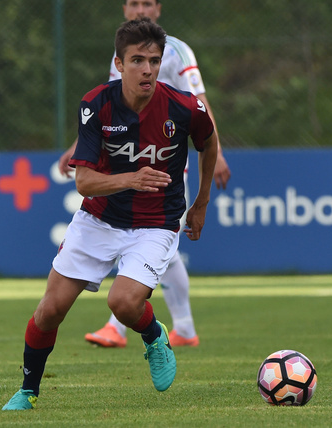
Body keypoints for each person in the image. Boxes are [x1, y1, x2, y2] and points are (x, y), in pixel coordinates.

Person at [2, 17, 218, 410]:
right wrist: (131, 178)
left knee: (122, 302)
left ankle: (153, 336)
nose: (147, 69)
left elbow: (209, 142)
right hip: (98, 219)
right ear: (119, 64)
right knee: (49, 310)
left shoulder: (185, 106)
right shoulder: (96, 104)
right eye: (137, 60)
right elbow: (84, 182)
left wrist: (201, 202)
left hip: (156, 223)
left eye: (154, 61)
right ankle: (28, 391)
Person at [58, 0, 230, 349]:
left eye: (147, 3)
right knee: (155, 245)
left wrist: (218, 152)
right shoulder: (121, 53)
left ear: (158, 9)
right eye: (134, 3)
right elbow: (107, 110)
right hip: (125, 163)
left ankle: (119, 326)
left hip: (164, 165)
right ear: (124, 9)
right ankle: (183, 328)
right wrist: (77, 146)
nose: (140, 9)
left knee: (149, 236)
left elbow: (199, 102)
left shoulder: (177, 51)